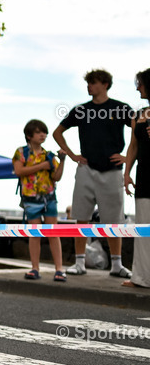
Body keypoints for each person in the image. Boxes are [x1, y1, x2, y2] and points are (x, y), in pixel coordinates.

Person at [53, 69, 134, 277]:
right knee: (81, 217)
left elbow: (139, 129)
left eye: (93, 83)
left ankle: (117, 265)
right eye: (88, 83)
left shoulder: (121, 108)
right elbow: (57, 132)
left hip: (112, 171)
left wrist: (128, 157)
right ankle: (79, 263)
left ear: (105, 84)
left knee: (114, 220)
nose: (89, 86)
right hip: (86, 170)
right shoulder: (81, 110)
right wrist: (72, 155)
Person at [14, 119, 67, 281]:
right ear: (29, 135)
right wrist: (41, 166)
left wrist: (62, 161)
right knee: (35, 233)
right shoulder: (21, 152)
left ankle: (59, 269)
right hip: (30, 198)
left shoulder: (49, 155)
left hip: (49, 197)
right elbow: (18, 171)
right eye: (38, 132)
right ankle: (35, 267)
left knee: (53, 232)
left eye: (44, 132)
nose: (42, 135)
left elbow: (56, 177)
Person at [123, 68, 150, 289]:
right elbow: (133, 146)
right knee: (143, 229)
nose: (137, 88)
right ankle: (141, 277)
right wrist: (126, 173)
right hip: (145, 178)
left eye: (140, 83)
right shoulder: (139, 114)